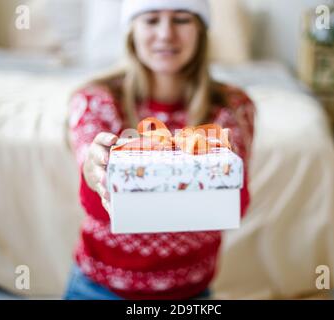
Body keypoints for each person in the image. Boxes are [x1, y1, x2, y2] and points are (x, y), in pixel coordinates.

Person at [64, 0, 255, 300]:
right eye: (151, 20)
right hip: (98, 289)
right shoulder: (95, 101)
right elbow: (97, 207)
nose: (166, 34)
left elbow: (235, 205)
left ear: (201, 31)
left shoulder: (232, 107)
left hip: (192, 293)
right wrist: (94, 174)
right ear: (132, 31)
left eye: (181, 19)